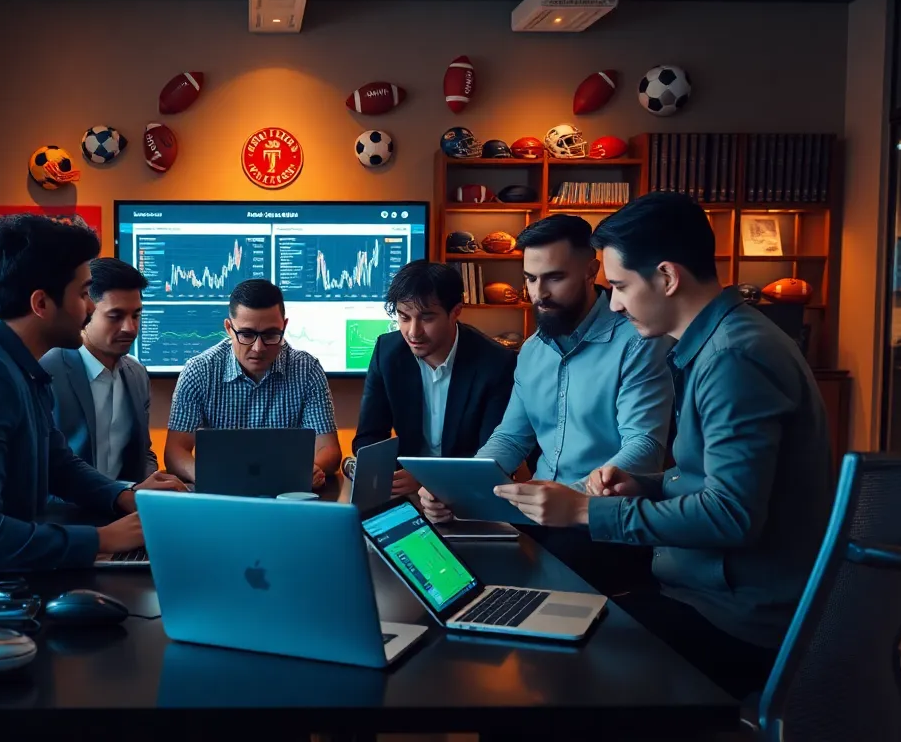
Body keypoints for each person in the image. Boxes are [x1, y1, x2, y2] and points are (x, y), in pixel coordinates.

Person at [495, 192, 834, 700]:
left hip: (735, 620)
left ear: (668, 277)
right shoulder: (723, 342)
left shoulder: (732, 358)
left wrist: (587, 512)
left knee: (535, 674)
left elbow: (732, 516)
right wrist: (648, 484)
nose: (613, 303)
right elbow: (713, 484)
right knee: (542, 642)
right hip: (708, 595)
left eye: (621, 286)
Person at [0, 214, 185, 599]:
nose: (89, 308)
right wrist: (100, 538)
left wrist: (122, 495)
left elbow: (58, 463)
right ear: (41, 303)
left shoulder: (17, 364)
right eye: (83, 294)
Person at [420, 214, 675, 594]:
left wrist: (574, 498)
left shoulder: (639, 342)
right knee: (444, 568)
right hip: (536, 518)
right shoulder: (533, 350)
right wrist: (456, 487)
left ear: (591, 271)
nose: (539, 293)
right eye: (530, 278)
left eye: (555, 278)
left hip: (603, 525)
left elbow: (645, 447)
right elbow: (510, 437)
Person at [351, 260, 516, 496]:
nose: (413, 332)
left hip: (468, 492)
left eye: (426, 318)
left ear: (456, 311)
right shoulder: (387, 352)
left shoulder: (496, 363)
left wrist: (426, 480)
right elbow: (369, 435)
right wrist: (385, 472)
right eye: (404, 317)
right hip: (405, 491)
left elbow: (491, 456)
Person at [164, 278, 340, 489]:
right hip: (222, 495)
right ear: (229, 328)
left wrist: (310, 470)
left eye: (270, 334)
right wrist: (209, 477)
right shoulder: (199, 371)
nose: (258, 348)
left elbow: (329, 450)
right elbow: (175, 451)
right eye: (246, 334)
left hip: (287, 494)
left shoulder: (307, 369)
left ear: (284, 326)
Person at [39, 257, 159, 487]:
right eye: (115, 316)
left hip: (125, 512)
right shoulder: (47, 372)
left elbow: (143, 454)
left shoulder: (137, 374)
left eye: (136, 315)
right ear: (86, 311)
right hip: (65, 516)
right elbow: (41, 470)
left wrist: (151, 485)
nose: (130, 328)